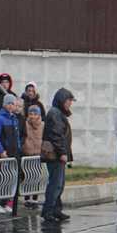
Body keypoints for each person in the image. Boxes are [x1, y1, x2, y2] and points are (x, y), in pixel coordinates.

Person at [42, 88, 76, 222]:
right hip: (55, 155)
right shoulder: (55, 114)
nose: (70, 104)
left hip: (58, 154)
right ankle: (48, 210)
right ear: (63, 100)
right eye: (69, 100)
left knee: (59, 184)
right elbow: (56, 135)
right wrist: (62, 153)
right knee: (55, 183)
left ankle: (56, 209)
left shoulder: (58, 113)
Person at [0, 94, 23, 213]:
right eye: (9, 103)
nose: (11, 106)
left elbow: (17, 136)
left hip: (13, 153)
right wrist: (1, 151)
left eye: (12, 104)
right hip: (4, 153)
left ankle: (5, 202)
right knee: (1, 177)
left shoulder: (14, 118)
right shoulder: (0, 118)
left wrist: (18, 149)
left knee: (10, 178)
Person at [20, 104, 45, 208]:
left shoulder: (43, 125)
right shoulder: (25, 124)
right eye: (30, 114)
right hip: (27, 154)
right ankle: (27, 199)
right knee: (27, 177)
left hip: (38, 155)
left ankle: (35, 199)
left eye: (35, 114)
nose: (33, 116)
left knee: (36, 177)